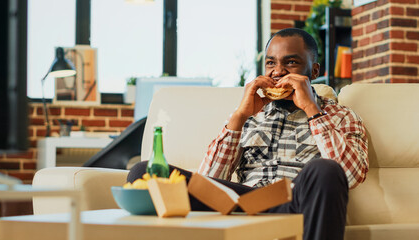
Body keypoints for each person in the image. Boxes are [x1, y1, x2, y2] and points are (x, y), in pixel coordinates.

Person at [127, 28, 368, 240]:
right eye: (271, 63)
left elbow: (349, 176)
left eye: (291, 63)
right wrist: (239, 118)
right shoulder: (249, 113)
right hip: (243, 202)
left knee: (325, 169)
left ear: (314, 70)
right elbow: (208, 180)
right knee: (144, 174)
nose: (277, 72)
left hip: (296, 201)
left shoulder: (341, 116)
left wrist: (311, 110)